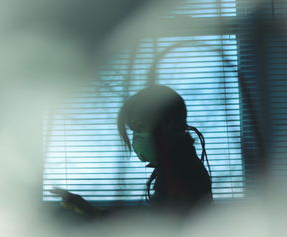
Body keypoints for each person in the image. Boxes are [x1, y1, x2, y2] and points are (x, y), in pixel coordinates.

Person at [51, 85, 212, 218]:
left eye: (140, 129)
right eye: (133, 131)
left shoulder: (180, 172)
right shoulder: (179, 165)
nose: (136, 139)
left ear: (168, 123)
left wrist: (92, 213)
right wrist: (89, 209)